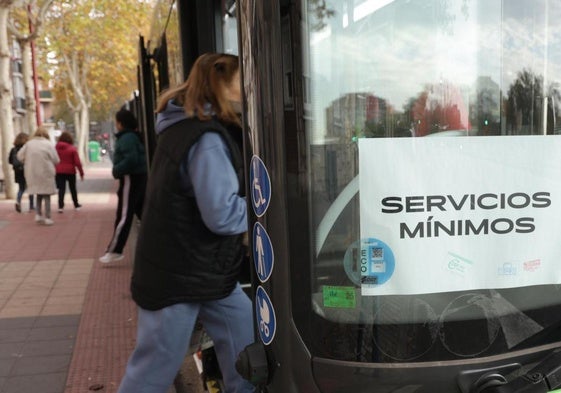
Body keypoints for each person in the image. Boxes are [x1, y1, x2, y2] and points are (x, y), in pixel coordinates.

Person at [116, 53, 254, 393]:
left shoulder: (181, 127)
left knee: (247, 339)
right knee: (153, 368)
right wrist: (263, 212)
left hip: (203, 269)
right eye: (242, 81)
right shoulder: (205, 139)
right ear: (223, 85)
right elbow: (221, 215)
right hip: (177, 274)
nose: (249, 88)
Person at [99, 109, 147, 264]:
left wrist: (116, 170)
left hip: (130, 178)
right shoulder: (133, 137)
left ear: (120, 123)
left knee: (124, 215)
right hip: (138, 177)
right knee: (143, 214)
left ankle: (115, 250)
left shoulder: (126, 139)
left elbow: (130, 159)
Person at [17, 126, 60, 225]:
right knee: (46, 195)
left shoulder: (29, 144)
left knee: (38, 193)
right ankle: (48, 217)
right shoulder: (48, 144)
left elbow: (19, 156)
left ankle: (38, 214)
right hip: (46, 172)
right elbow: (56, 160)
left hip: (32, 172)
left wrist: (27, 161)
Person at [55, 131, 84, 213]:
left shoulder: (56, 148)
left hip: (59, 171)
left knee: (61, 189)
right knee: (73, 188)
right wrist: (81, 173)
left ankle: (60, 206)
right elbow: (77, 162)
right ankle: (76, 204)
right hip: (70, 171)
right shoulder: (72, 149)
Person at [9, 132, 34, 213]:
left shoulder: (13, 149)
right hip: (26, 170)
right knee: (30, 188)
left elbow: (10, 161)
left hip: (18, 172)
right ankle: (31, 205)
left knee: (21, 188)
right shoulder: (27, 148)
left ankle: (18, 201)